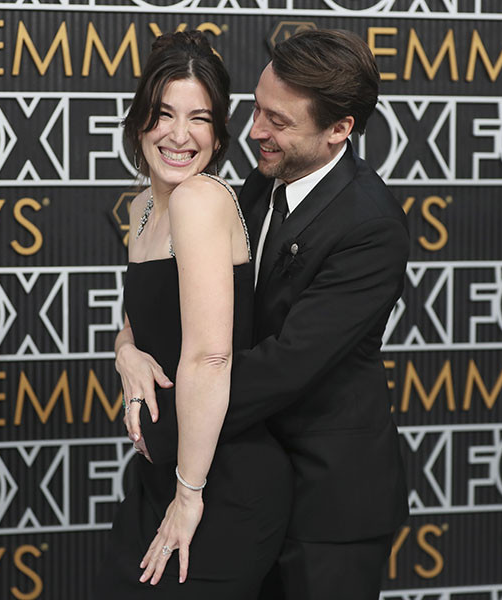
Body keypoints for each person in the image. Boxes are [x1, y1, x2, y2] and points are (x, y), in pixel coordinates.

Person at [119, 29, 410, 599]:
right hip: (238, 474)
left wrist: (174, 426)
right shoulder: (261, 181)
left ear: (338, 131)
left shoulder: (372, 228)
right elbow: (176, 303)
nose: (254, 132)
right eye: (256, 108)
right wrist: (127, 351)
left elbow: (284, 363)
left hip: (329, 506)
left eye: (278, 121)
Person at [94, 31, 292, 599]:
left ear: (219, 133)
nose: (179, 136)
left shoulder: (198, 200)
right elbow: (153, 315)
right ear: (139, 123)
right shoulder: (144, 206)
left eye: (199, 118)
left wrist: (188, 496)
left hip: (217, 486)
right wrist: (124, 350)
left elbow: (210, 354)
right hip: (161, 481)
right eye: (163, 114)